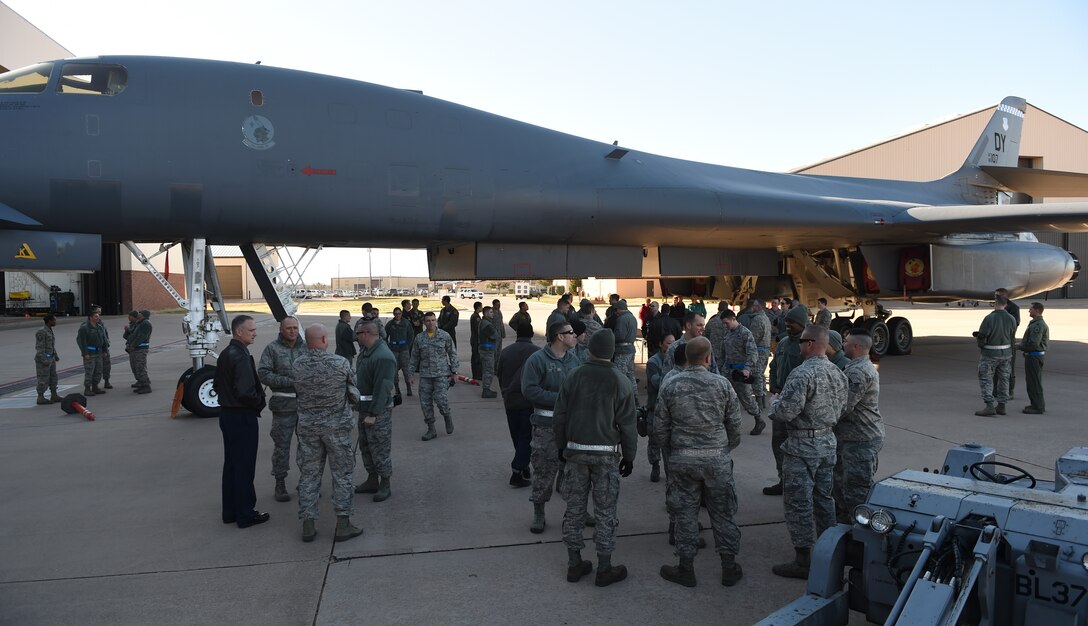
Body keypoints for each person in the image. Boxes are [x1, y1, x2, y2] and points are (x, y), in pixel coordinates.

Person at [655, 337, 744, 587]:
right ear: (708, 358)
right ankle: (728, 567)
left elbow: (660, 428)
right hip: (716, 458)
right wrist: (724, 449)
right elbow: (735, 425)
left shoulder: (670, 384)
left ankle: (686, 568)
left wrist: (672, 451)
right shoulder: (722, 384)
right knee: (723, 513)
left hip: (682, 459)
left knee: (685, 513)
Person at [553, 330, 637, 587]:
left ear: (589, 350)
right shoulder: (620, 380)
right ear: (612, 352)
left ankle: (574, 563)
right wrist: (629, 457)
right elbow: (628, 425)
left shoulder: (573, 375)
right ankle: (605, 567)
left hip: (575, 455)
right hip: (606, 458)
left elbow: (560, 416)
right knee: (605, 512)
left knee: (575, 510)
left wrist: (561, 448)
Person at [768, 324, 847, 579]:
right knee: (825, 499)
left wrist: (774, 405)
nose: (799, 344)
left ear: (811, 344)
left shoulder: (801, 375)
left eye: (802, 341)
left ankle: (803, 560)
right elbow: (843, 408)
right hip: (827, 442)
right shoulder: (838, 372)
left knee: (799, 503)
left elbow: (785, 413)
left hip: (802, 446)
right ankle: (830, 551)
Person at [292, 324, 363, 543]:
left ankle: (308, 525)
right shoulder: (340, 363)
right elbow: (354, 394)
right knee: (342, 475)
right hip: (336, 430)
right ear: (324, 339)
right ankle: (343, 524)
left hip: (308, 430)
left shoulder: (297, 365)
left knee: (309, 475)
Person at [521, 320, 580, 533]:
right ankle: (539, 513)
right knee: (544, 470)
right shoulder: (537, 361)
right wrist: (560, 399)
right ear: (560, 337)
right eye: (571, 332)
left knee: (575, 473)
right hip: (546, 426)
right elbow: (529, 391)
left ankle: (577, 511)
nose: (575, 335)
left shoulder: (574, 361)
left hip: (571, 426)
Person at [213, 315, 269, 529]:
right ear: (239, 332)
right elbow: (246, 391)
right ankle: (246, 513)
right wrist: (258, 403)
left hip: (227, 414)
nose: (255, 333)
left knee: (232, 465)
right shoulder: (241, 356)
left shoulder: (226, 353)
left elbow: (217, 384)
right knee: (244, 466)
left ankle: (231, 511)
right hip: (241, 416)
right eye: (251, 330)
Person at [833, 329, 884, 524]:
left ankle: (859, 532)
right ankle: (845, 525)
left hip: (860, 439)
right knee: (842, 484)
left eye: (845, 342)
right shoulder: (858, 366)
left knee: (856, 491)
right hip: (853, 437)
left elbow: (843, 406)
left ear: (856, 346)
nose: (842, 344)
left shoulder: (858, 371)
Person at [763, 304, 811, 496]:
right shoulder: (783, 342)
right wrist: (773, 385)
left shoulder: (807, 344)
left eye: (792, 322)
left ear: (801, 324)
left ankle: (801, 483)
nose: (788, 324)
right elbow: (774, 365)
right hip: (781, 399)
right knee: (779, 442)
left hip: (800, 404)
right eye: (787, 321)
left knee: (798, 447)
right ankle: (784, 479)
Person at [257, 316, 305, 503]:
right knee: (282, 447)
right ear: (281, 329)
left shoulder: (306, 347)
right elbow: (264, 373)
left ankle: (307, 483)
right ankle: (280, 483)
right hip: (283, 407)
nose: (292, 331)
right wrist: (289, 382)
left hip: (305, 406)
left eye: (295, 327)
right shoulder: (272, 349)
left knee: (308, 447)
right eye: (288, 328)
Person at [354, 319, 397, 503]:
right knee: (366, 447)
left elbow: (384, 387)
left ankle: (385, 483)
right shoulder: (367, 353)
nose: (355, 337)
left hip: (377, 413)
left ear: (365, 334)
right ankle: (372, 480)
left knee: (380, 448)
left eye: (357, 334)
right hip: (364, 409)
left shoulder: (383, 356)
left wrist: (373, 414)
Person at [497, 323, 539, 488]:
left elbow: (499, 374)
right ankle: (517, 470)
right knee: (527, 437)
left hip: (510, 401)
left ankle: (523, 465)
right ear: (532, 334)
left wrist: (505, 392)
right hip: (528, 402)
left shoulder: (506, 352)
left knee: (517, 436)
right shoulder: (536, 352)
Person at [410, 311, 459, 440]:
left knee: (441, 399)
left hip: (441, 374)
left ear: (435, 321)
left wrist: (454, 372)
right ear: (424, 322)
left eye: (433, 320)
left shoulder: (444, 336)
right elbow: (414, 357)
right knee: (425, 403)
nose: (430, 323)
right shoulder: (419, 338)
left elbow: (452, 353)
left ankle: (447, 415)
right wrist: (410, 374)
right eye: (428, 321)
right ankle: (431, 429)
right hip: (425, 375)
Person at [721, 309, 767, 435]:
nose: (725, 326)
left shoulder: (745, 333)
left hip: (740, 373)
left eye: (726, 323)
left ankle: (759, 419)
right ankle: (728, 425)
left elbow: (752, 353)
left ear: (733, 319)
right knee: (724, 397)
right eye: (723, 324)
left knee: (746, 399)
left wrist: (747, 369)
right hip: (728, 370)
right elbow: (724, 352)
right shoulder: (728, 333)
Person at [974, 295, 1016, 416]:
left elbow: (982, 336)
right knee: (1004, 379)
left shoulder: (989, 318)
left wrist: (981, 345)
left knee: (986, 379)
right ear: (1006, 305)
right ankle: (1002, 405)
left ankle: (989, 405)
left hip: (990, 354)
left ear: (995, 303)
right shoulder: (1012, 318)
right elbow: (1012, 334)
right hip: (1006, 354)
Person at [644, 333, 676, 482]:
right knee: (654, 439)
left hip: (669, 407)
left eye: (673, 343)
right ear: (661, 344)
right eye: (668, 343)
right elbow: (657, 383)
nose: (671, 346)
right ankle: (655, 465)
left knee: (668, 442)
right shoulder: (653, 362)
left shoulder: (676, 360)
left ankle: (670, 472)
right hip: (655, 406)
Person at [741, 299, 772, 409]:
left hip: (758, 351)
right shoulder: (766, 318)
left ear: (758, 306)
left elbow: (753, 338)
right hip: (765, 350)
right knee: (761, 375)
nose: (752, 308)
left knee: (756, 376)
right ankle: (762, 400)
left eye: (754, 306)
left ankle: (759, 402)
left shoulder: (757, 319)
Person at [1019, 302, 1049, 414]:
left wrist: (1020, 347)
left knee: (1034, 382)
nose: (1029, 311)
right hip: (1033, 355)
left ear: (1037, 311)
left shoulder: (1038, 325)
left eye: (1031, 309)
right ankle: (1035, 404)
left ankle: (1038, 407)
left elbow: (1033, 344)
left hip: (1034, 357)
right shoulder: (1036, 323)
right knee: (1032, 382)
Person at [995, 288, 1021, 398]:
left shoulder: (1013, 308)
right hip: (997, 341)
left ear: (1005, 296)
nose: (995, 298)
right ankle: (995, 390)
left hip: (1008, 341)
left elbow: (1015, 323)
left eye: (997, 296)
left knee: (1009, 368)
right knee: (996, 368)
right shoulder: (997, 307)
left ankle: (1010, 391)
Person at [76, 309, 108, 396]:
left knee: (98, 371)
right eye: (96, 316)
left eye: (98, 316)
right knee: (89, 371)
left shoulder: (100, 327)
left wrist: (104, 350)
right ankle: (87, 388)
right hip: (90, 353)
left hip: (99, 353)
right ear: (90, 318)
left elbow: (103, 340)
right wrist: (85, 353)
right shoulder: (84, 328)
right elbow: (82, 342)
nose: (98, 318)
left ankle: (95, 386)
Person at [385, 307, 414, 397]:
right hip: (393, 349)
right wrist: (387, 346)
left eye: (399, 313)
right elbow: (385, 336)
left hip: (403, 349)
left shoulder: (406, 323)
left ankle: (409, 388)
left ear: (401, 314)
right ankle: (397, 390)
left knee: (406, 370)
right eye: (396, 313)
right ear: (393, 314)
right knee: (394, 370)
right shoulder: (390, 324)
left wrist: (407, 346)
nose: (397, 315)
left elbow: (411, 335)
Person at [123, 310, 152, 394]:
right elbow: (133, 334)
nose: (138, 314)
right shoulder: (139, 323)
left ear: (143, 315)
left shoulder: (145, 324)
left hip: (140, 349)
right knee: (135, 367)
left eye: (140, 313)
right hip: (135, 349)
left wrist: (133, 345)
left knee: (140, 367)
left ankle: (146, 386)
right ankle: (141, 383)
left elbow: (141, 337)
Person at [610, 299, 638, 388]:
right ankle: (634, 396)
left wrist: (611, 337)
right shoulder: (632, 317)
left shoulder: (622, 319)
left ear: (619, 309)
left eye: (616, 310)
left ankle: (622, 397)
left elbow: (620, 335)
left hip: (622, 350)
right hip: (631, 348)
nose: (615, 312)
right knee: (630, 375)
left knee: (619, 375)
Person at [34, 315, 61, 404]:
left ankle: (54, 394)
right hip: (44, 360)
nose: (55, 322)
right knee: (43, 378)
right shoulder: (42, 332)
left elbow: (51, 345)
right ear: (49, 321)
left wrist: (55, 355)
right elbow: (40, 348)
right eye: (54, 320)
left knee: (53, 377)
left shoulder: (50, 330)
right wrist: (44, 360)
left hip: (51, 358)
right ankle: (40, 397)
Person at [478, 305, 500, 398]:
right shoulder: (486, 324)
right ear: (486, 314)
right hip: (487, 350)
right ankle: (486, 390)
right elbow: (494, 335)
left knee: (487, 369)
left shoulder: (485, 322)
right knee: (488, 370)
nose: (493, 314)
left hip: (486, 349)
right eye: (491, 312)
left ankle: (486, 389)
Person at [469, 300, 483, 380]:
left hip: (474, 339)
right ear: (478, 307)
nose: (482, 308)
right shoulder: (476, 317)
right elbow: (478, 330)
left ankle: (476, 374)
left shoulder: (475, 315)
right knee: (476, 357)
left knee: (475, 356)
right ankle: (477, 375)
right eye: (481, 306)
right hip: (476, 340)